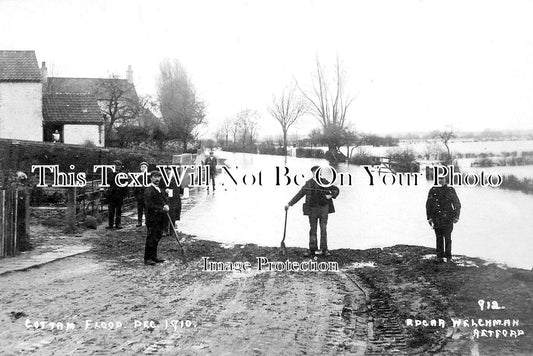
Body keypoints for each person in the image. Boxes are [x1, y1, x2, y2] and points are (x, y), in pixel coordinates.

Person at [285, 166, 339, 257]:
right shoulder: (308, 184)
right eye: (314, 172)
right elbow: (299, 194)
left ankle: (324, 250)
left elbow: (336, 190)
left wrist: (330, 196)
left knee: (323, 229)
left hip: (323, 209)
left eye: (318, 172)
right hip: (312, 209)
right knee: (313, 229)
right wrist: (289, 204)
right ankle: (312, 249)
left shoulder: (325, 182)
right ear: (313, 173)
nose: (316, 173)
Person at [426, 173, 461, 263]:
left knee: (448, 237)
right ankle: (440, 256)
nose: (440, 180)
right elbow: (428, 205)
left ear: (446, 180)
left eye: (442, 178)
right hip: (436, 217)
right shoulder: (433, 190)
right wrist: (429, 217)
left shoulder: (450, 190)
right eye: (439, 178)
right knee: (439, 237)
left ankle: (449, 257)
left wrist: (456, 216)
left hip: (448, 217)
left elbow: (457, 204)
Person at [144, 170, 169, 265]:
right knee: (151, 238)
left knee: (157, 237)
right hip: (152, 219)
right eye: (155, 177)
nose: (157, 179)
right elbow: (150, 205)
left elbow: (163, 201)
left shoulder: (160, 189)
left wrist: (166, 205)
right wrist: (162, 208)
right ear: (151, 178)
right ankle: (147, 258)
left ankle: (154, 256)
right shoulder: (148, 190)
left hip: (160, 218)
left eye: (159, 177)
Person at [159, 166, 183, 236]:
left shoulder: (176, 179)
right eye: (167, 171)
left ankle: (172, 231)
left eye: (170, 171)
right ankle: (165, 230)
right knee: (166, 214)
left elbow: (180, 188)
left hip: (175, 199)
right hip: (166, 199)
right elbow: (160, 188)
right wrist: (164, 190)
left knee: (173, 215)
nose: (169, 172)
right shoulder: (163, 180)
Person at [106, 160, 128, 229]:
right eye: (116, 166)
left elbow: (125, 184)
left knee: (119, 210)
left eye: (119, 166)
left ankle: (118, 224)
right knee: (111, 210)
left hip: (120, 194)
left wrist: (125, 194)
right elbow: (108, 181)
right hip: (112, 194)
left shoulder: (123, 174)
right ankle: (110, 224)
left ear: (121, 166)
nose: (117, 167)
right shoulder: (110, 173)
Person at [134, 162, 149, 227]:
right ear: (140, 168)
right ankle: (139, 222)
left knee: (147, 209)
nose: (143, 168)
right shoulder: (138, 176)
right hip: (140, 195)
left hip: (147, 195)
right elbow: (134, 185)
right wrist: (136, 194)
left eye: (145, 167)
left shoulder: (149, 176)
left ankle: (147, 221)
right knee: (139, 209)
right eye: (142, 167)